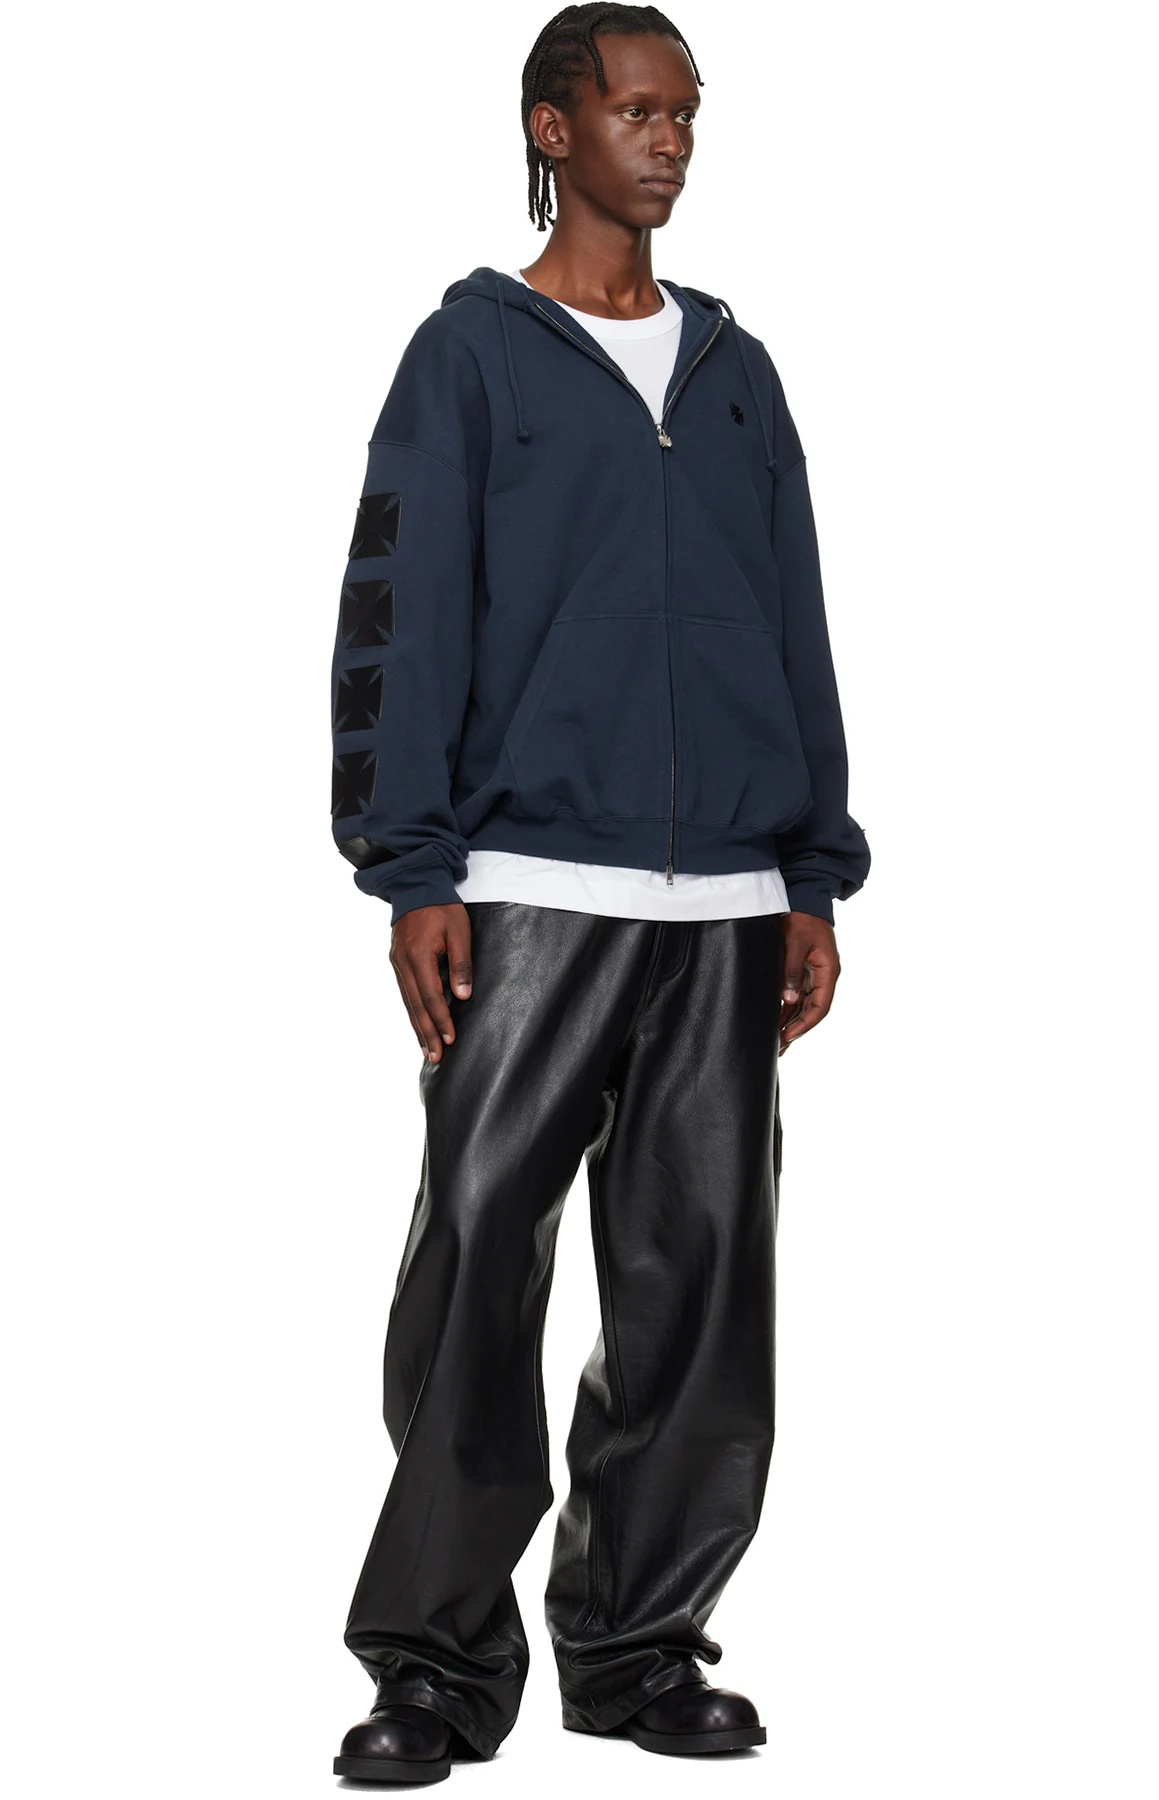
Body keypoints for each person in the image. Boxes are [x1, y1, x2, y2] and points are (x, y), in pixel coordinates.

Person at [328, 4, 870, 1782]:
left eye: (688, 112)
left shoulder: (736, 371)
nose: (672, 140)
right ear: (553, 128)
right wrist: (411, 869)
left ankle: (637, 1647)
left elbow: (794, 622)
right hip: (526, 885)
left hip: (727, 907)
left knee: (702, 1293)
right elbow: (400, 619)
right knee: (478, 1269)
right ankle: (434, 1665)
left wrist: (812, 868)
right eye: (637, 108)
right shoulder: (469, 356)